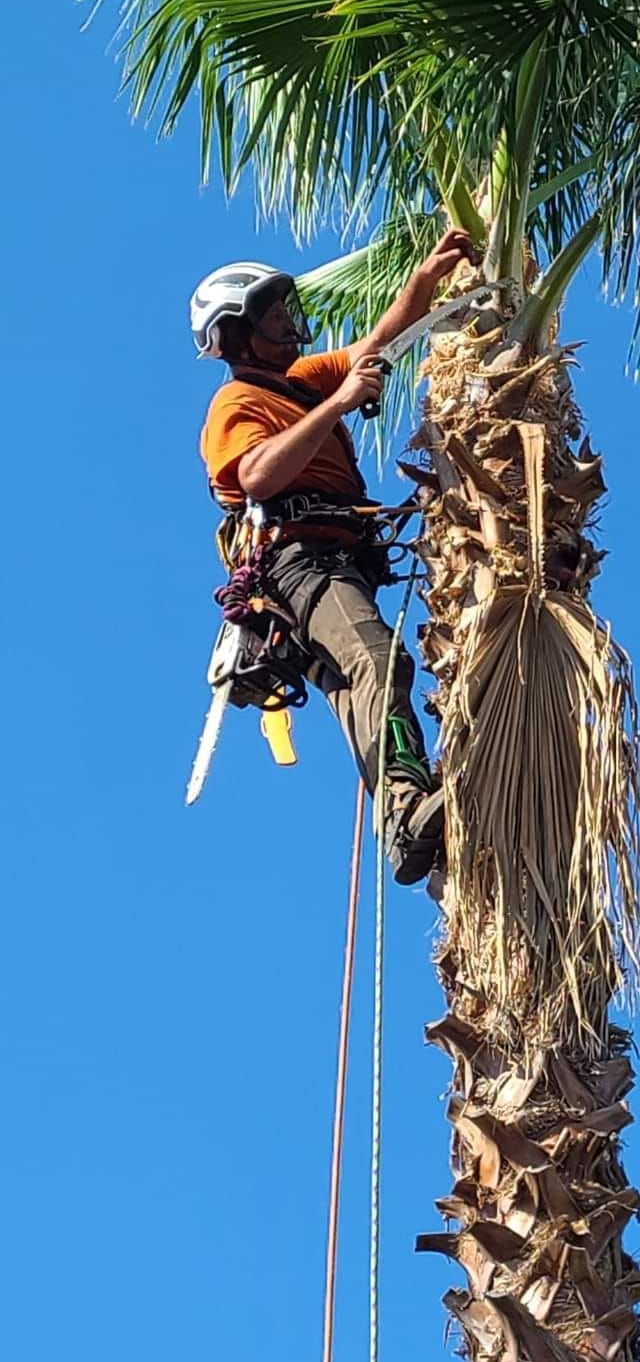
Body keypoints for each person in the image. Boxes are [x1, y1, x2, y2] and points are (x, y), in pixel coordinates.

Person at [191, 229, 475, 883]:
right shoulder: (237, 402)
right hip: (297, 564)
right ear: (238, 335)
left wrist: (425, 280)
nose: (291, 324)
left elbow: (376, 347)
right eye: (274, 316)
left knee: (363, 679)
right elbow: (258, 476)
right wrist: (341, 405)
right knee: (377, 662)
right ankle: (406, 811)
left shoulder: (296, 383)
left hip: (337, 563)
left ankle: (434, 855)